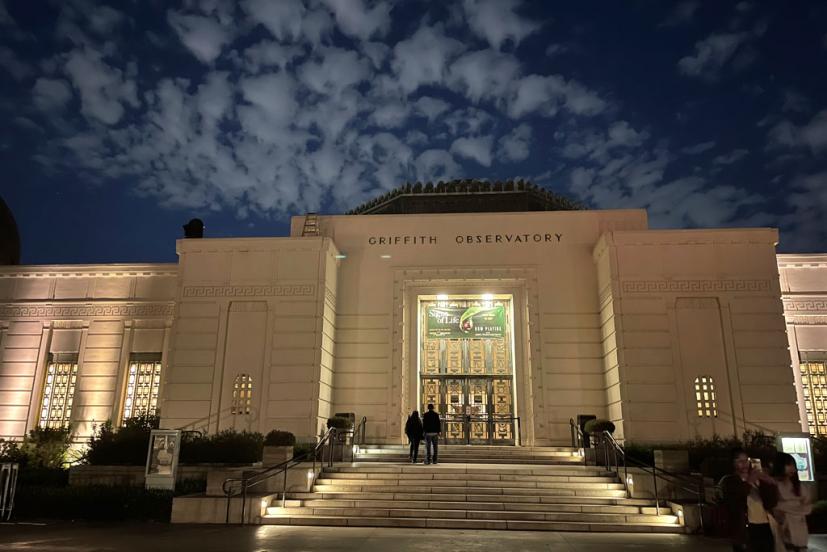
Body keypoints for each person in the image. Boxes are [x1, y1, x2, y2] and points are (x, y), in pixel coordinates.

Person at [720, 448, 778, 552]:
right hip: (746, 528)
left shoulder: (757, 479)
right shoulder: (730, 481)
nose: (744, 464)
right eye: (740, 461)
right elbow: (734, 501)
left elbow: (771, 502)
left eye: (746, 460)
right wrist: (749, 481)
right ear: (733, 463)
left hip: (765, 525)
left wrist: (769, 483)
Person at [771, 452, 811, 551]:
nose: (792, 468)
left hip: (800, 531)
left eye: (793, 465)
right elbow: (775, 507)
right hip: (784, 531)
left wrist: (787, 508)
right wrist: (796, 508)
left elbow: (808, 507)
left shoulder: (798, 486)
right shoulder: (774, 485)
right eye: (788, 465)